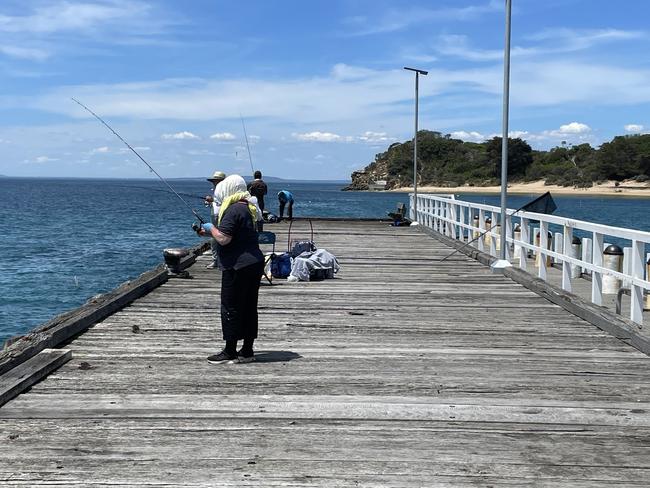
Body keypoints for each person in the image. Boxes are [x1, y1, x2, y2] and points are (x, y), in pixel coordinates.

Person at [198, 175, 265, 364]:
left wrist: (211, 228)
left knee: (231, 306)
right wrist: (208, 232)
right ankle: (247, 350)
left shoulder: (233, 209)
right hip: (254, 262)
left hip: (237, 265)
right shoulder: (250, 208)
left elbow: (224, 239)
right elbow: (235, 234)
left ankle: (229, 351)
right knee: (249, 307)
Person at [204, 171, 226, 268]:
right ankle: (216, 260)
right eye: (214, 181)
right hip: (215, 215)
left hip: (222, 216)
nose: (214, 183)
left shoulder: (225, 190)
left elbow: (224, 201)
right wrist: (210, 202)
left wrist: (212, 200)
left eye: (216, 181)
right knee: (214, 238)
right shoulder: (215, 190)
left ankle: (219, 260)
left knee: (218, 237)